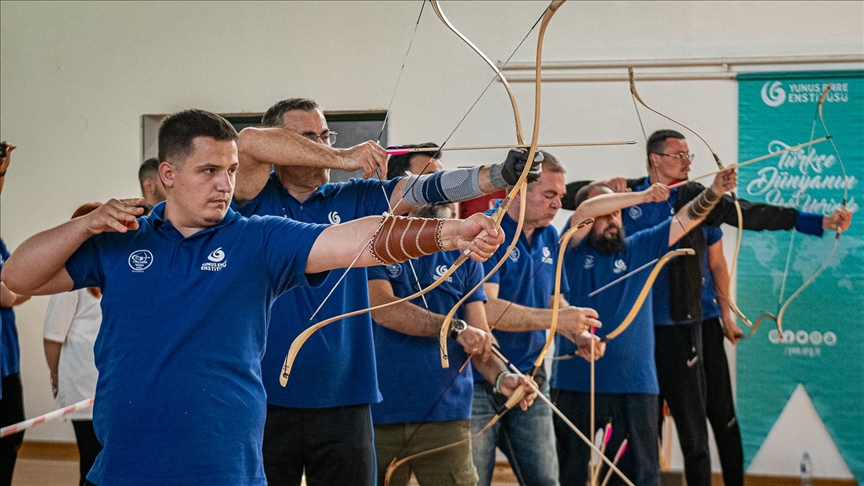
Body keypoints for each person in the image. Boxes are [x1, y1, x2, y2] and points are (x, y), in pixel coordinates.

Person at [0, 109, 504, 486]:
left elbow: (358, 239)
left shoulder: (257, 238)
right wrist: (83, 224)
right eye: (209, 171)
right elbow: (18, 276)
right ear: (168, 175)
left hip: (227, 471)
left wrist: (450, 235)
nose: (225, 184)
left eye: (232, 170)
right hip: (124, 470)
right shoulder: (119, 239)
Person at [232, 98, 540, 486]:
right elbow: (247, 142)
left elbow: (425, 189)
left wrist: (497, 175)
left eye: (326, 135)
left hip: (345, 398)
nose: (322, 146)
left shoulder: (353, 198)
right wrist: (342, 155)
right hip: (265, 399)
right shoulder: (252, 199)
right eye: (309, 138)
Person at [561, 129, 851, 486]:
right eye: (679, 155)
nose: (687, 162)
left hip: (682, 329)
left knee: (694, 428)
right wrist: (614, 188)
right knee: (632, 438)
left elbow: (746, 214)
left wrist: (818, 221)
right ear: (655, 159)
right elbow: (565, 198)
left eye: (689, 156)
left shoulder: (692, 196)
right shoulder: (623, 197)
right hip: (628, 339)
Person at [551, 166, 737, 486]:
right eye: (606, 213)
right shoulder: (570, 246)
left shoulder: (640, 247)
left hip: (635, 386)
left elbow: (686, 218)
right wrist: (641, 195)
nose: (614, 219)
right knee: (569, 475)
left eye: (619, 212)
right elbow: (583, 211)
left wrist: (715, 192)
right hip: (575, 384)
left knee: (636, 477)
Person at [367, 149, 537, 486]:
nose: (442, 191)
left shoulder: (466, 254)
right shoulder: (373, 244)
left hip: (446, 415)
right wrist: (453, 327)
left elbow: (481, 340)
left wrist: (504, 378)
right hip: (378, 412)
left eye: (444, 182)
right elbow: (384, 308)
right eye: (431, 182)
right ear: (400, 188)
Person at [471, 152, 601, 486]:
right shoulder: (490, 231)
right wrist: (559, 319)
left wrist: (578, 334)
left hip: (532, 377)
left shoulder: (548, 237)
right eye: (549, 195)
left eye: (561, 196)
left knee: (545, 481)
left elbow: (555, 300)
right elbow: (489, 310)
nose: (559, 204)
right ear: (518, 191)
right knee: (474, 481)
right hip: (481, 378)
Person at [42, 202, 104, 486]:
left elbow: (53, 338)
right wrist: (57, 377)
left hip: (93, 383)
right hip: (92, 383)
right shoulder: (83, 274)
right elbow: (53, 337)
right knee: (96, 459)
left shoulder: (89, 274)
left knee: (97, 460)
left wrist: (55, 377)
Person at [700, 226, 744, 486]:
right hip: (657, 329)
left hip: (706, 323)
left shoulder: (705, 207)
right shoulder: (641, 198)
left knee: (723, 415)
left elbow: (717, 264)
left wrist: (726, 317)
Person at [0, 141, 32, 486]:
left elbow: (18, 285)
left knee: (12, 436)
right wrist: (16, 290)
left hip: (7, 361)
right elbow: (8, 294)